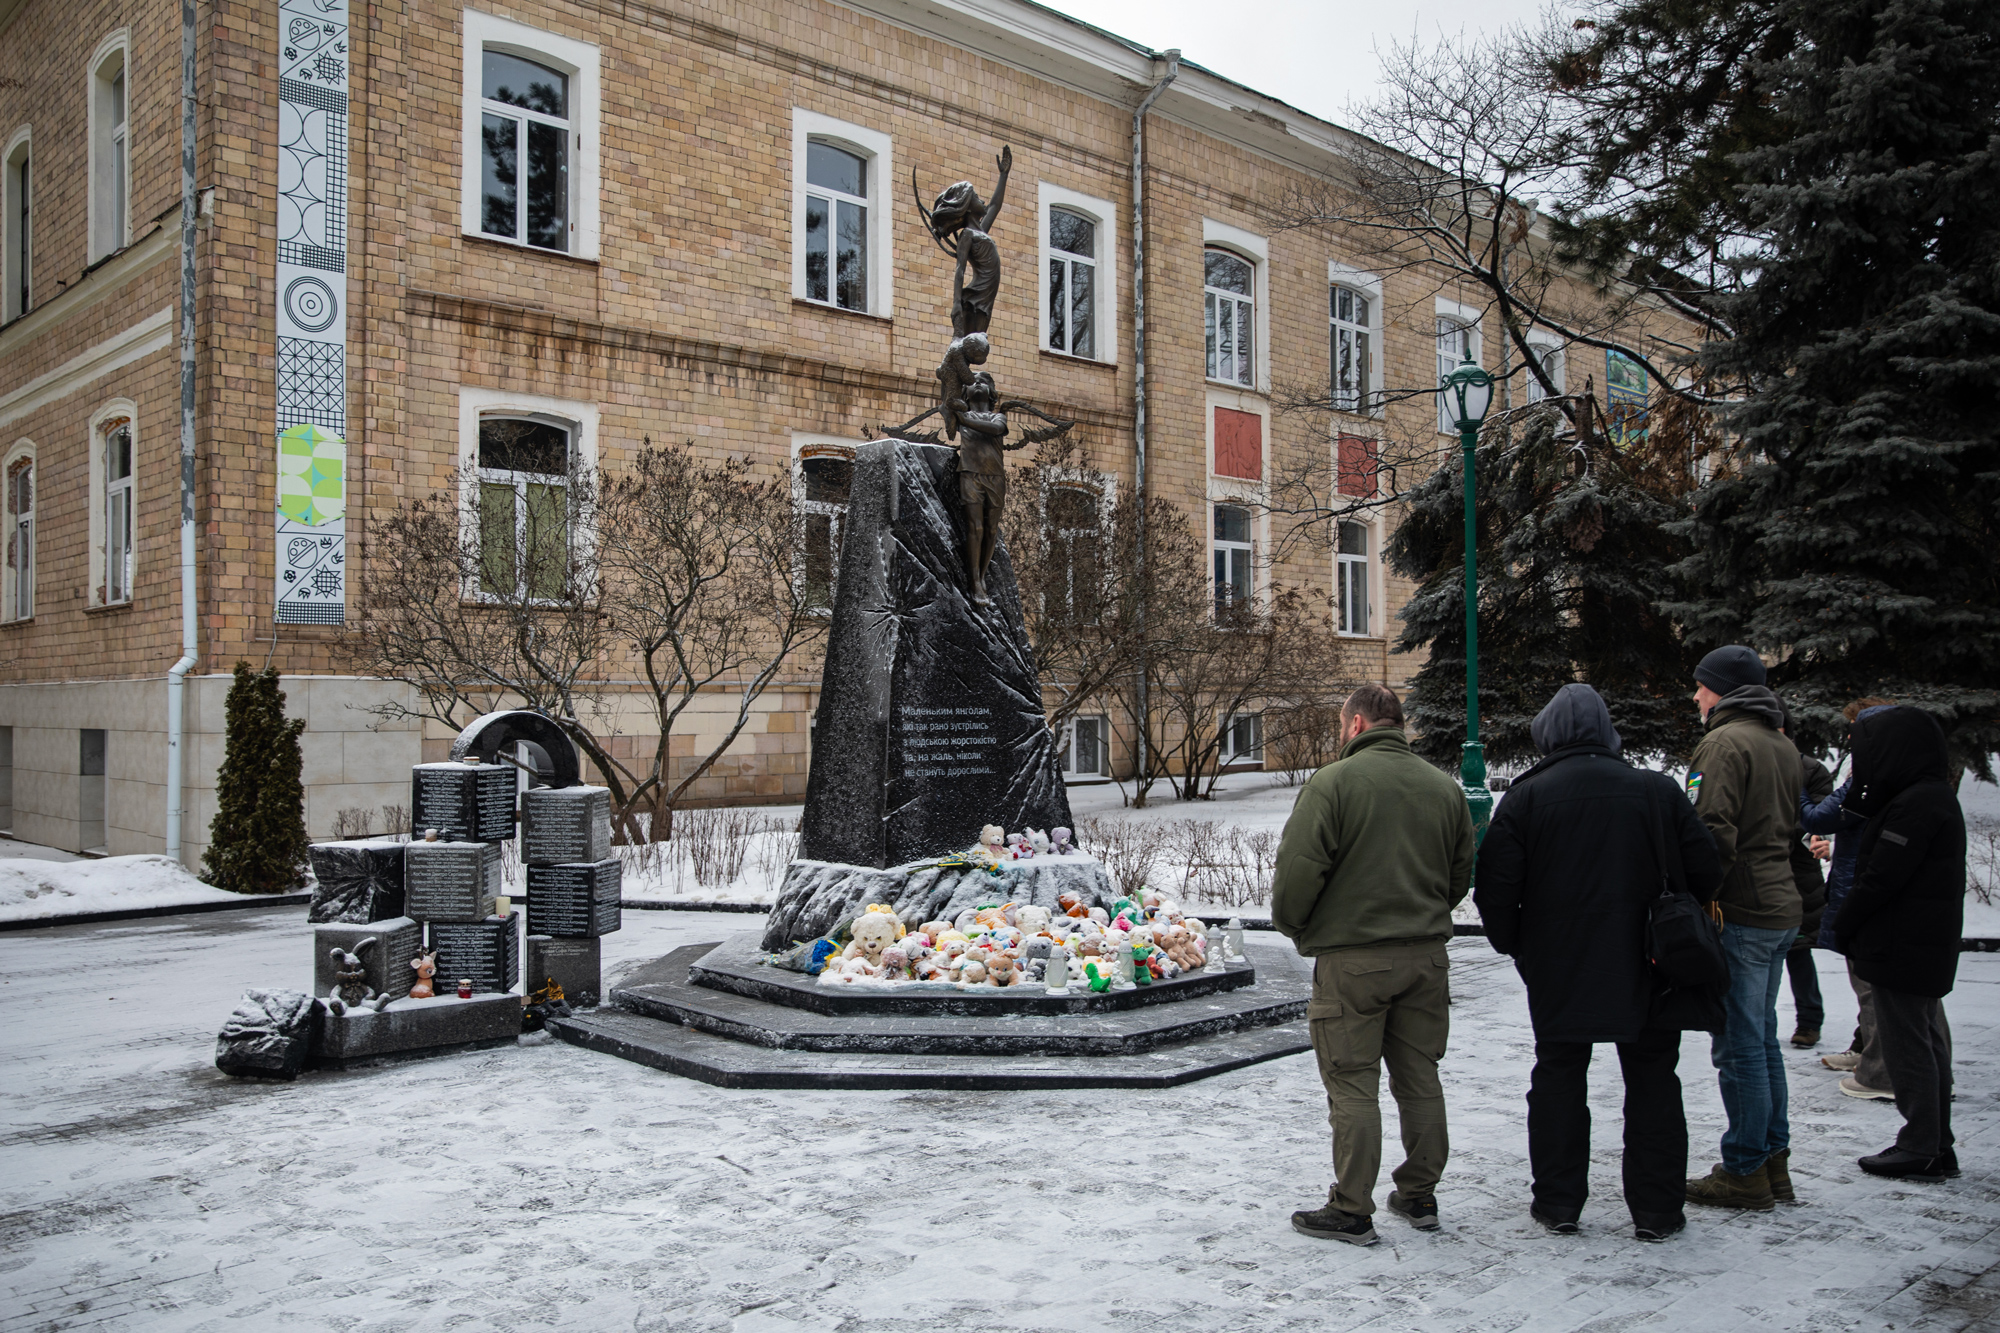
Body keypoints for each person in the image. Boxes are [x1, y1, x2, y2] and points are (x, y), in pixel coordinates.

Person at [1475, 685, 1724, 1242]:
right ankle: (1658, 1210)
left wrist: (1520, 947)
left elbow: (1495, 889)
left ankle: (1559, 1202)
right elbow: (1707, 870)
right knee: (1655, 1079)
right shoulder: (1656, 791)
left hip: (1561, 965)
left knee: (1559, 1076)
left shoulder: (1526, 798)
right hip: (1652, 963)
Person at [1271, 682, 1476, 1246]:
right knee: (1420, 1080)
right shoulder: (1443, 787)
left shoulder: (1333, 784)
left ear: (1356, 725)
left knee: (1352, 1084)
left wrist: (1298, 928)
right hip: (1426, 959)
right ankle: (1418, 1194)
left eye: (1342, 724)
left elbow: (1297, 874)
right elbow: (1462, 872)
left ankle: (1352, 1207)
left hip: (1352, 962)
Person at [1681, 645, 1804, 1211]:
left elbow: (1709, 830)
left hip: (1744, 912)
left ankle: (1746, 1166)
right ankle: (1771, 1159)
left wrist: (1696, 899)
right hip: (1779, 907)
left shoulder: (1725, 742)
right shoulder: (1779, 740)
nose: (1697, 696)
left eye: (1703, 686)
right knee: (1761, 1039)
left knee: (1740, 1047)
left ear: (1724, 689)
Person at [1831, 706, 1968, 1181]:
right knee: (1924, 1041)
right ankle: (1934, 1143)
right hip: (1918, 944)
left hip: (1903, 945)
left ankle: (1921, 1146)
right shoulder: (1929, 796)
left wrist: (1843, 925)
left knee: (1909, 1047)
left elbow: (1880, 878)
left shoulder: (1916, 804)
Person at [1802, 698, 1907, 1098]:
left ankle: (1882, 1071)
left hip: (1863, 890)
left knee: (1873, 983)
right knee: (1873, 985)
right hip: (1855, 876)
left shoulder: (1872, 775)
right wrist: (1836, 850)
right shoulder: (1893, 774)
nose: (1849, 737)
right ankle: (1870, 1051)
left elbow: (1820, 816)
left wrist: (1792, 787)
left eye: (1855, 730)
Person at [1780, 706, 1836, 1047]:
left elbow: (1821, 817)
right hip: (1759, 870)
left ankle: (1809, 1022)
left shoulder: (1810, 769)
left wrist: (1795, 832)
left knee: (1798, 952)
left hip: (1800, 873)